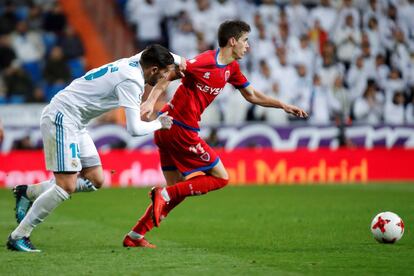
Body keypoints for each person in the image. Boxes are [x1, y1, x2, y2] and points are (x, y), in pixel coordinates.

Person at [122, 20, 308, 248]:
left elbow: (252, 95)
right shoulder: (204, 61)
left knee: (176, 191)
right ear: (232, 41)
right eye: (245, 41)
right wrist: (150, 101)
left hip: (166, 127)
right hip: (179, 128)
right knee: (221, 177)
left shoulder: (232, 69)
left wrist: (282, 105)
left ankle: (135, 235)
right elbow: (169, 74)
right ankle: (163, 195)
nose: (247, 46)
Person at [7, 44, 185, 252]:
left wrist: (187, 65)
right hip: (62, 118)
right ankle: (19, 236)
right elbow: (134, 129)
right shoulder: (132, 81)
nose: (164, 78)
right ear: (154, 69)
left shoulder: (139, 59)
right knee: (66, 186)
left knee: (95, 180)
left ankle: (27, 192)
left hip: (77, 121)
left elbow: (170, 56)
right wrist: (160, 123)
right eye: (164, 73)